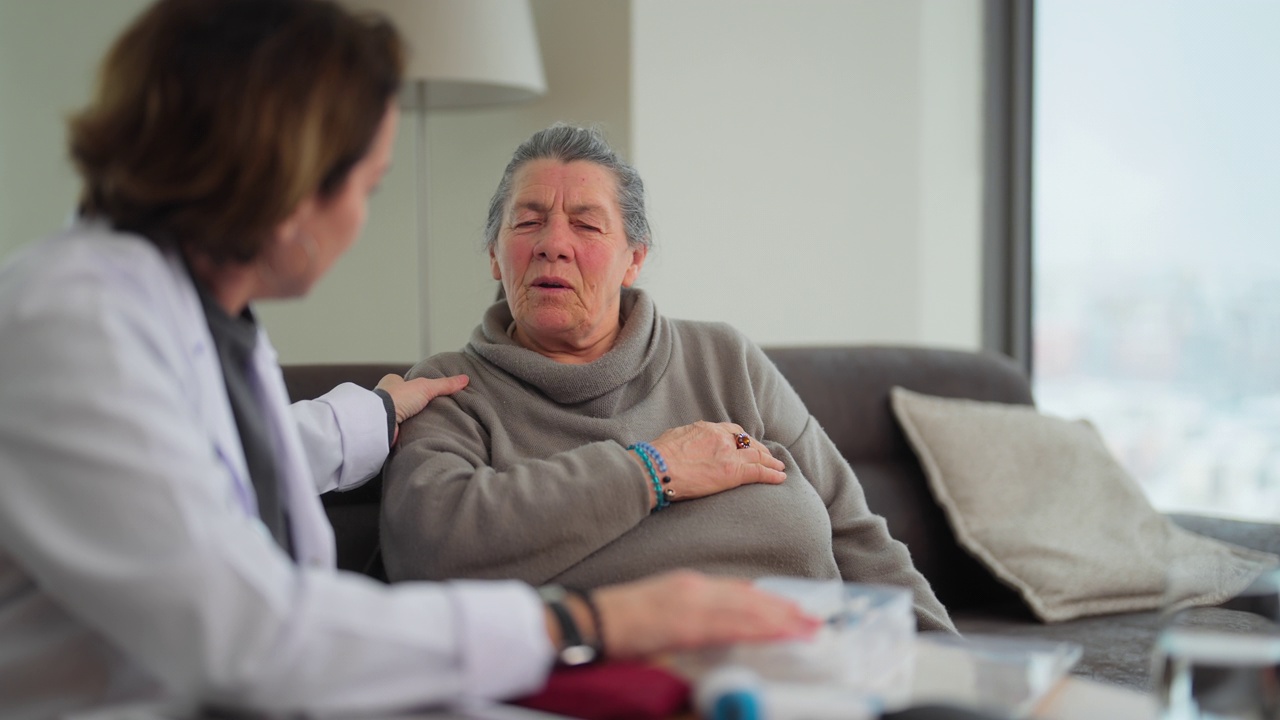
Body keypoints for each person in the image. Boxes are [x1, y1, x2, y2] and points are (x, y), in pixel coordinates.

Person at [0, 2, 821, 718]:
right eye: (368, 186)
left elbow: (213, 461)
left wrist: (373, 415)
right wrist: (587, 625)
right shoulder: (72, 327)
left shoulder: (204, 320)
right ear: (282, 177)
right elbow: (248, 636)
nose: (361, 219)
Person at [380, 123, 957, 634]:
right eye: (528, 222)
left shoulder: (725, 358)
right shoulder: (447, 386)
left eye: (586, 225)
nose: (553, 245)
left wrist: (949, 669)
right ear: (493, 254)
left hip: (818, 667)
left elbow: (856, 535)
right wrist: (653, 470)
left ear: (634, 259)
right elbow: (427, 548)